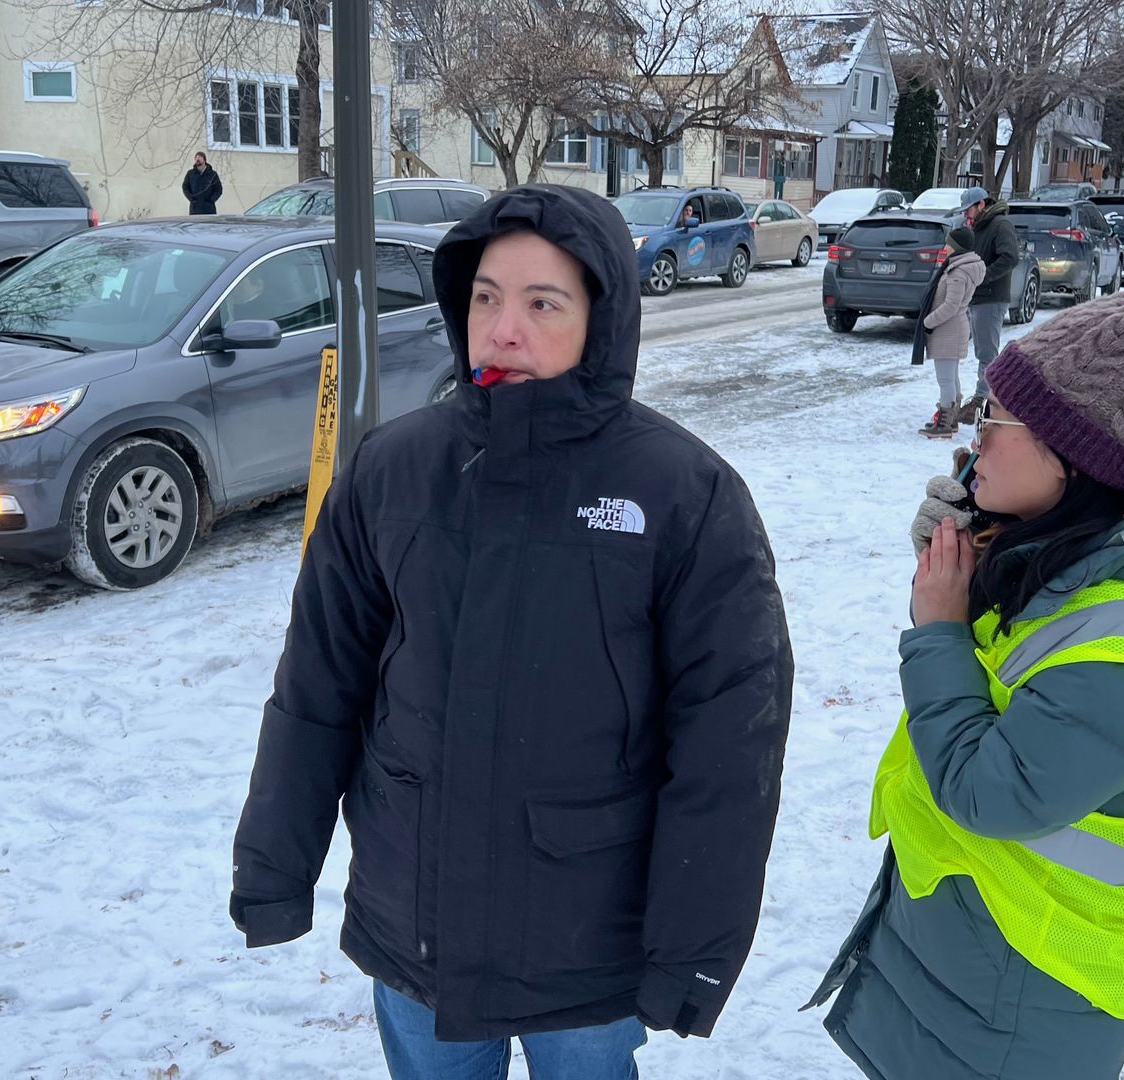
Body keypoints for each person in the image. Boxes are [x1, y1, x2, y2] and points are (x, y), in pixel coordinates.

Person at [229, 184, 794, 1079]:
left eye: (543, 303)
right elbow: (317, 687)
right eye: (487, 298)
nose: (503, 329)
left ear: (600, 320)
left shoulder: (685, 496)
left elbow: (730, 748)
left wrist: (693, 947)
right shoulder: (393, 469)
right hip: (416, 922)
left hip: (587, 946)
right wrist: (274, 868)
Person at [809, 248, 1124, 1080]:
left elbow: (995, 790)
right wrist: (980, 561)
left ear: (1071, 455)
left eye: (995, 420)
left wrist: (942, 628)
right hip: (977, 950)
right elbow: (1015, 673)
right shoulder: (1073, 555)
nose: (973, 438)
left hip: (1034, 984)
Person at [956, 186, 1020, 425]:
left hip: (991, 297)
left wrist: (982, 276)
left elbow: (1010, 257)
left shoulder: (1000, 225)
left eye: (968, 210)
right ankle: (983, 398)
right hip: (978, 296)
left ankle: (983, 401)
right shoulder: (980, 226)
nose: (966, 215)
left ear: (981, 204)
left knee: (987, 353)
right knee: (982, 350)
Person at [917, 226, 987, 439]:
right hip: (952, 329)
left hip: (948, 330)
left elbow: (951, 305)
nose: (945, 247)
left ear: (957, 247)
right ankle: (951, 419)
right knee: (951, 376)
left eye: (949, 243)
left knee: (945, 379)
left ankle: (945, 424)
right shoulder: (960, 267)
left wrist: (928, 322)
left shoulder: (958, 272)